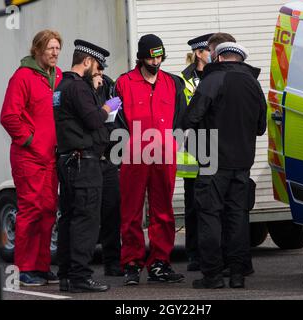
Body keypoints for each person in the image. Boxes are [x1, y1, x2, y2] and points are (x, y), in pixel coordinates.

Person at [183, 41, 267, 289]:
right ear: (239, 60)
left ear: (218, 58)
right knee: (238, 218)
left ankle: (213, 276)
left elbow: (191, 116)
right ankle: (238, 275)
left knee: (210, 216)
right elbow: (261, 127)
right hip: (242, 163)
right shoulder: (253, 83)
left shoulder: (213, 80)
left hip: (213, 162)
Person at [115, 34, 186, 285]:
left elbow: (181, 118)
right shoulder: (123, 83)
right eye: (151, 56)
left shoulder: (173, 83)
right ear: (141, 57)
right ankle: (132, 264)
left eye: (159, 56)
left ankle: (159, 263)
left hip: (164, 154)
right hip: (134, 154)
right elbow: (114, 118)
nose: (156, 61)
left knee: (163, 209)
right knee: (131, 210)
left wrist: (173, 143)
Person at [53, 40, 122, 293]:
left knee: (69, 219)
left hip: (68, 161)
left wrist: (92, 93)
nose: (99, 71)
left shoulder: (61, 87)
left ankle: (66, 275)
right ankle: (80, 276)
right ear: (87, 62)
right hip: (84, 163)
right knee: (86, 221)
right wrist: (107, 106)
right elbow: (94, 120)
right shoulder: (78, 89)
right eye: (97, 65)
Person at [0, 30, 63, 287]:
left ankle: (41, 266)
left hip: (50, 158)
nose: (55, 53)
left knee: (48, 211)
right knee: (30, 210)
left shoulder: (58, 77)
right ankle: (24, 269)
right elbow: (8, 117)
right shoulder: (22, 77)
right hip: (29, 157)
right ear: (37, 49)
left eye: (58, 48)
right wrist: (31, 141)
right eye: (50, 48)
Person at [179, 33, 213, 272]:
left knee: (213, 202)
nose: (213, 53)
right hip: (192, 147)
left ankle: (212, 250)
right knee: (193, 204)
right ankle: (194, 253)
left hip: (214, 145)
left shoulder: (217, 74)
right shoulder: (183, 80)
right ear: (199, 53)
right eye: (209, 50)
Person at [89, 72, 123, 277]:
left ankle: (112, 261)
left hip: (109, 157)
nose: (100, 74)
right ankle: (81, 266)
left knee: (112, 212)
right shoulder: (80, 89)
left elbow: (118, 120)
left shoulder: (110, 85)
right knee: (88, 214)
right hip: (88, 157)